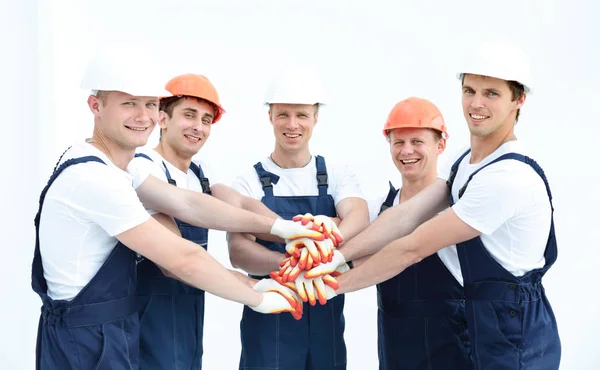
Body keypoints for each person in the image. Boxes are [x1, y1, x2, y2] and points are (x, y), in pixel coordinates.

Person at [32, 47, 319, 370]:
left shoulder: (121, 168)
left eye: (149, 104)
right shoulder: (97, 179)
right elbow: (181, 259)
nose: (143, 116)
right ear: (95, 105)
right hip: (87, 339)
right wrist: (258, 297)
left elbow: (188, 204)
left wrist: (280, 228)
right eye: (129, 103)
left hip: (113, 329)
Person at [307, 39, 561, 369]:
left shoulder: (507, 177)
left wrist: (327, 287)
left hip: (515, 333)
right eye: (470, 90)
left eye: (492, 93)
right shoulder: (464, 161)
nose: (476, 103)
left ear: (519, 99)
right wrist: (337, 256)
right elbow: (405, 217)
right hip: (484, 325)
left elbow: (411, 248)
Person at [128, 73, 292, 369]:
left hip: (190, 310)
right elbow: (176, 262)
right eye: (189, 115)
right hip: (149, 315)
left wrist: (295, 233)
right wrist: (251, 288)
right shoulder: (144, 169)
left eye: (206, 119)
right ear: (162, 119)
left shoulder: (200, 173)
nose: (198, 127)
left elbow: (241, 204)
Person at [228, 66, 370, 370]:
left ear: (316, 117)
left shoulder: (335, 174)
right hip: (270, 314)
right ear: (270, 117)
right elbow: (238, 251)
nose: (292, 124)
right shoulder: (248, 181)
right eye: (283, 114)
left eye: (302, 115)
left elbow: (358, 216)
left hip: (326, 316)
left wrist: (323, 256)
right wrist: (295, 267)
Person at [371, 97, 469, 370]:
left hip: (452, 346)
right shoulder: (378, 207)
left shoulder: (461, 207)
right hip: (395, 347)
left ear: (441, 145)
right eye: (398, 142)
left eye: (417, 141)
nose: (406, 151)